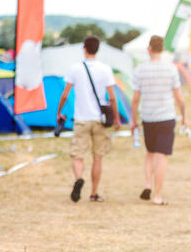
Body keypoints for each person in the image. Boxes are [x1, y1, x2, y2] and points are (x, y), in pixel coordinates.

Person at [56, 36, 121, 202]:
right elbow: (112, 98)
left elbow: (65, 94)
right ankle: (94, 193)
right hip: (100, 119)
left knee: (78, 155)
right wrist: (116, 117)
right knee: (97, 157)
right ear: (97, 49)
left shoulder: (75, 68)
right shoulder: (105, 69)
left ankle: (79, 178)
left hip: (81, 118)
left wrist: (59, 112)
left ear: (84, 48)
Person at [130, 35, 187, 205]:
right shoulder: (170, 69)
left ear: (149, 49)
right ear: (162, 50)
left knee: (150, 152)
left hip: (148, 116)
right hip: (166, 116)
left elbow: (135, 99)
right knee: (161, 155)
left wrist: (134, 120)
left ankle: (148, 183)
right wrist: (184, 117)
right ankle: (157, 195)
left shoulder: (140, 70)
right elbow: (179, 97)